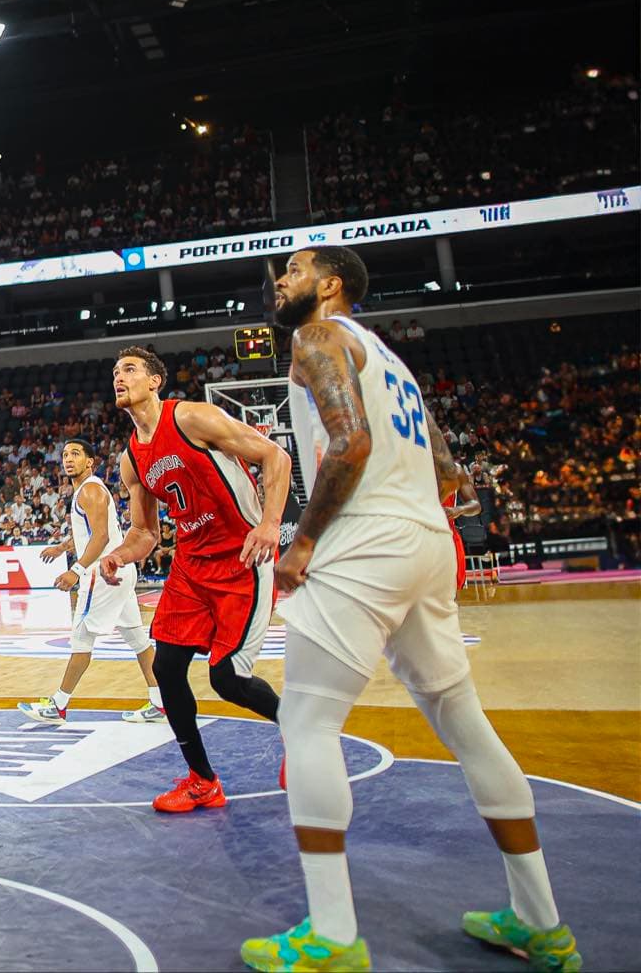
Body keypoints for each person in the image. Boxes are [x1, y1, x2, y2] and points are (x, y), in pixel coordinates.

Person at [239, 248, 580, 972]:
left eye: (294, 270)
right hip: (426, 541)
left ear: (330, 286)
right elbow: (449, 472)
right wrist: (433, 507)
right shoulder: (390, 359)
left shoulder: (316, 338)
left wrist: (303, 543)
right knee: (465, 721)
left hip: (366, 538)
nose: (281, 282)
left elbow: (351, 442)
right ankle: (540, 923)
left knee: (306, 721)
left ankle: (331, 937)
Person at [98, 345, 292, 813]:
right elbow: (146, 532)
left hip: (242, 558)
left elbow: (275, 457)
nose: (118, 377)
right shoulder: (131, 459)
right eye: (114, 371)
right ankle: (203, 780)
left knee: (226, 679)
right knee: (166, 668)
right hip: (190, 565)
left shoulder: (192, 419)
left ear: (154, 381)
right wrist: (120, 554)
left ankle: (301, 731)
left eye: (128, 369)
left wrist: (268, 524)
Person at [20, 438, 165, 724]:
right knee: (138, 640)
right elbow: (88, 534)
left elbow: (100, 537)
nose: (68, 459)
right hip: (119, 572)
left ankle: (58, 705)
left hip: (104, 573)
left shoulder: (90, 491)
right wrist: (62, 547)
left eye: (75, 454)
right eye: (64, 454)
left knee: (81, 638)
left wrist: (75, 570)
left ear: (90, 462)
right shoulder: (87, 492)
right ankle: (160, 704)